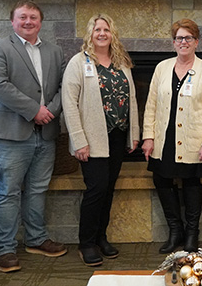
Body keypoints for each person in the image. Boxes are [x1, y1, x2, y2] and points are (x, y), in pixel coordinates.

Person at [0, 0, 67, 273]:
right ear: (13, 21)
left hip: (46, 132)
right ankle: (5, 248)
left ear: (40, 21)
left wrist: (48, 113)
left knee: (38, 189)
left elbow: (63, 88)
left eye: (33, 17)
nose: (28, 21)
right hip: (12, 133)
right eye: (22, 17)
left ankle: (36, 239)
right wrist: (34, 111)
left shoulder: (55, 52)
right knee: (8, 191)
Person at [62, 14, 140, 266]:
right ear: (90, 33)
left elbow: (132, 99)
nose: (102, 33)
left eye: (106, 29)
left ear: (112, 33)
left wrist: (134, 133)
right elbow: (69, 104)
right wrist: (78, 140)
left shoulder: (121, 61)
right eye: (97, 29)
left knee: (108, 190)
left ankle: (101, 237)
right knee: (96, 190)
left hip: (117, 136)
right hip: (92, 138)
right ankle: (86, 243)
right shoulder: (79, 62)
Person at [141, 19, 202, 253]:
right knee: (162, 179)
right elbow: (151, 105)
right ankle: (175, 231)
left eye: (187, 38)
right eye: (178, 38)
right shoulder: (162, 68)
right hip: (164, 138)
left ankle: (191, 235)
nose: (182, 42)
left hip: (194, 140)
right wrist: (148, 137)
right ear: (173, 42)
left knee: (191, 183)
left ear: (196, 42)